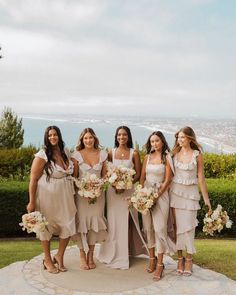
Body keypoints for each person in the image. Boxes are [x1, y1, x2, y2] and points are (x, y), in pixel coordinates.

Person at [27, 126, 77, 274]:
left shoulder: (65, 152)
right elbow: (33, 179)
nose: (53, 137)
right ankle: (47, 260)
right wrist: (31, 201)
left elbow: (75, 166)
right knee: (46, 226)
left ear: (59, 136)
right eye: (50, 135)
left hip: (66, 195)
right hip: (47, 196)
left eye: (55, 135)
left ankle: (59, 256)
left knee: (67, 224)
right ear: (46, 138)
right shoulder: (42, 155)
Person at [97, 126, 148, 269]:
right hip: (113, 193)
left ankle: (127, 253)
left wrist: (126, 184)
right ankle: (111, 253)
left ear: (128, 136)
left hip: (128, 191)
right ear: (116, 137)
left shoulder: (134, 153)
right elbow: (105, 172)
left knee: (128, 221)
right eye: (119, 135)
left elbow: (138, 174)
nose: (121, 137)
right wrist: (114, 184)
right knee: (114, 222)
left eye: (124, 135)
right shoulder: (110, 152)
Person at [170, 126, 212, 276]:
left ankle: (189, 259)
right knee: (178, 228)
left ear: (190, 138)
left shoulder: (197, 155)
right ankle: (179, 258)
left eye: (183, 137)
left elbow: (201, 178)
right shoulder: (174, 154)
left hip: (191, 196)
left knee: (188, 228)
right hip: (175, 195)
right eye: (178, 137)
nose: (180, 140)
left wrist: (207, 201)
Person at [140, 131, 175, 281]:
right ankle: (152, 259)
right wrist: (141, 195)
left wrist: (156, 196)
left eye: (157, 141)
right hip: (145, 195)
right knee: (148, 228)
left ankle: (160, 264)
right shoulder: (147, 158)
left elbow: (168, 180)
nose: (154, 144)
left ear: (162, 142)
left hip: (160, 196)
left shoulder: (166, 157)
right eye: (152, 141)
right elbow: (142, 178)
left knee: (160, 229)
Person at [72, 128, 108, 270]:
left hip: (98, 196)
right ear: (82, 140)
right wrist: (84, 188)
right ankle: (82, 254)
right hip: (81, 196)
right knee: (82, 225)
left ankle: (90, 255)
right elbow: (74, 177)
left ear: (95, 139)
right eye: (85, 138)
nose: (88, 140)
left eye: (90, 138)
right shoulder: (76, 155)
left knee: (94, 224)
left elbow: (105, 176)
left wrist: (97, 187)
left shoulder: (103, 154)